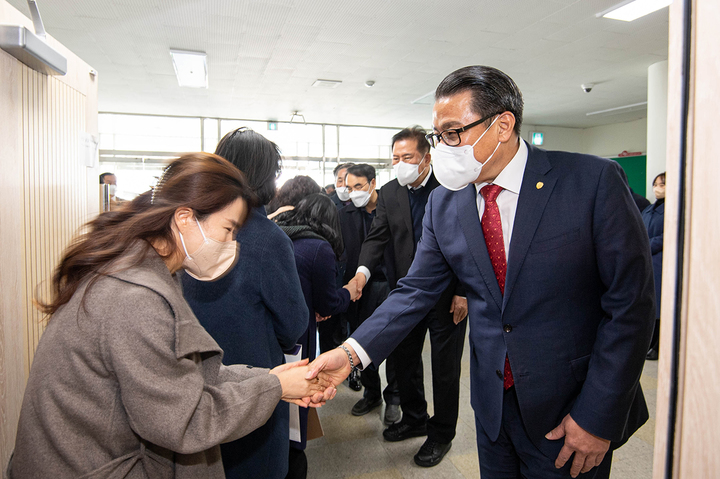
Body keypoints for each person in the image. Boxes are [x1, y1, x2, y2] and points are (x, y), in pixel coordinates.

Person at [309, 66, 655, 479]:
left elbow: (630, 307)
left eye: (453, 132)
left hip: (571, 408)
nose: (442, 147)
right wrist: (350, 354)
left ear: (503, 125)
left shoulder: (590, 181)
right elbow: (414, 291)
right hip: (492, 408)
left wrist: (598, 416)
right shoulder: (446, 204)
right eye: (439, 135)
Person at [8, 153, 335, 478]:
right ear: (184, 219)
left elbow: (190, 376)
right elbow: (186, 419)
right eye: (227, 229)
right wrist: (275, 386)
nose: (231, 243)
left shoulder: (138, 270)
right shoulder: (135, 297)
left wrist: (275, 381)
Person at [182, 129, 309, 479]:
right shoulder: (269, 239)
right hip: (254, 381)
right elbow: (294, 323)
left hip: (193, 381)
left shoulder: (191, 225)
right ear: (268, 178)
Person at [347, 126, 468, 467]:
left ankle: (441, 433)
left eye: (408, 158)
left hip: (447, 297)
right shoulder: (389, 193)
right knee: (405, 360)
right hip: (407, 293)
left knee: (445, 369)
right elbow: (377, 238)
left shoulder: (451, 188)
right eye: (395, 158)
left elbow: (466, 244)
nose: (400, 164)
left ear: (426, 158)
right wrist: (361, 272)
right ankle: (414, 418)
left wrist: (462, 291)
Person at [276, 193, 360, 478]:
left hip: (272, 331)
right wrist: (349, 292)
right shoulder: (318, 247)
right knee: (298, 400)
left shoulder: (281, 234)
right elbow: (327, 303)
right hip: (299, 335)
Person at [339, 164, 400, 419]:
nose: (353, 192)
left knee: (397, 342)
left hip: (391, 283)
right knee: (362, 340)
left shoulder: (391, 210)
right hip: (360, 288)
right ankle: (371, 393)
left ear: (373, 184)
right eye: (349, 187)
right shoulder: (345, 214)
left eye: (358, 186)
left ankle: (394, 398)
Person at [642, 172, 665, 360]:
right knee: (648, 304)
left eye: (662, 185)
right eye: (656, 185)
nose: (658, 189)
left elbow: (670, 235)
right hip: (646, 261)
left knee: (661, 307)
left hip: (661, 262)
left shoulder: (674, 209)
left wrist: (647, 245)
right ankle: (649, 343)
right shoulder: (648, 210)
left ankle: (658, 346)